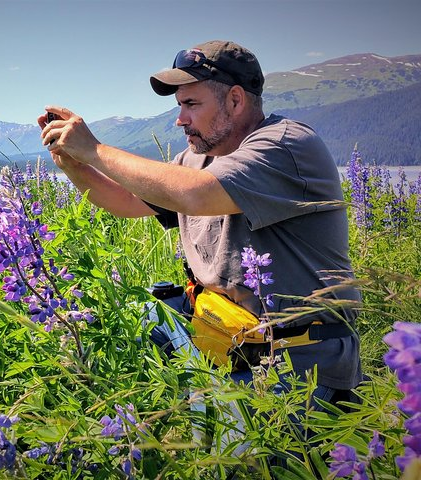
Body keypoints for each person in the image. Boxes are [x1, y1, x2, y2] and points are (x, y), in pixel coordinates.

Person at [37, 40, 362, 405]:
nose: (180, 119)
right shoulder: (198, 159)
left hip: (295, 363)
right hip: (218, 335)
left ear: (236, 100)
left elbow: (193, 194)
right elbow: (126, 201)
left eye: (191, 104)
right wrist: (72, 162)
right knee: (101, 330)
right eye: (179, 106)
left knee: (235, 459)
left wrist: (95, 150)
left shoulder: (286, 145)